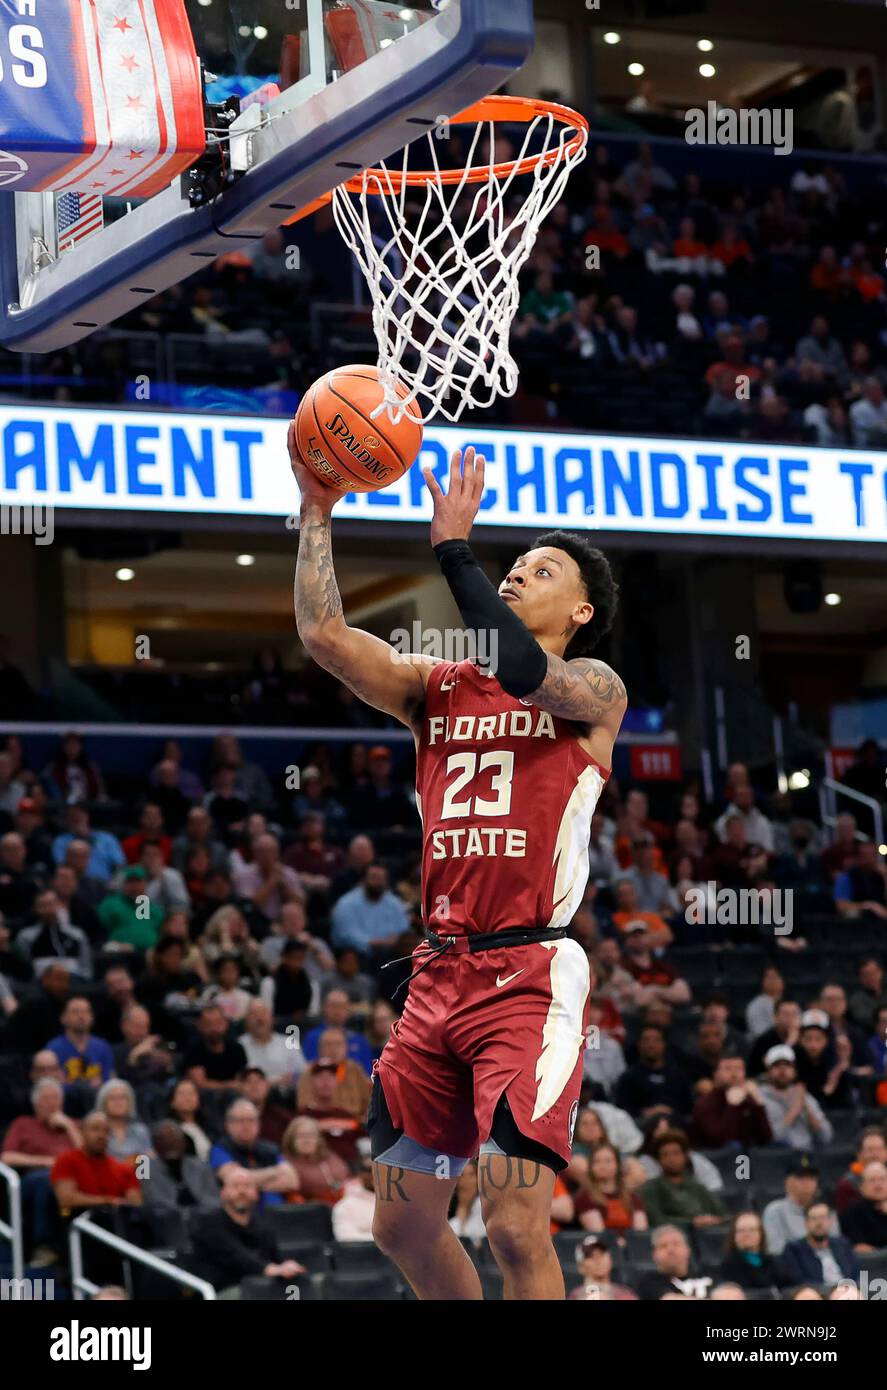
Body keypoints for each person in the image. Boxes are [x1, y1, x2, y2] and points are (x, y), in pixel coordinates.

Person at [293, 438, 626, 1300]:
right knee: (400, 1222)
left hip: (529, 973)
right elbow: (324, 635)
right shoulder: (434, 686)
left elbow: (521, 667)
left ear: (580, 611)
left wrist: (453, 549)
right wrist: (317, 510)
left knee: (515, 1225)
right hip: (439, 969)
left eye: (541, 570)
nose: (517, 575)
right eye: (513, 565)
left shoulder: (593, 689)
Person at [1, 1077, 81, 1262]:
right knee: (47, 1179)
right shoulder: (23, 1124)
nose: (52, 1103)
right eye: (46, 1099)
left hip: (72, 1180)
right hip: (34, 1178)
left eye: (56, 1098)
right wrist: (47, 1162)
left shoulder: (74, 1125)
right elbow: (7, 1157)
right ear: (36, 1103)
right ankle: (43, 1246)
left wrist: (69, 1127)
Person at [188, 1168, 304, 1296]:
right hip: (220, 1292)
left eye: (247, 1186)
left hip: (260, 1289)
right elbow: (236, 1257)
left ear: (256, 1193)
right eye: (235, 1186)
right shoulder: (208, 1223)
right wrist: (271, 1269)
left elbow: (275, 1260)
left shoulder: (263, 1226)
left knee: (296, 1291)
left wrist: (286, 1268)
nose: (242, 1191)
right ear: (223, 1192)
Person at [209, 1098, 296, 1206]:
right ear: (228, 1125)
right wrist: (275, 1172)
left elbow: (292, 1181)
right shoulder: (220, 1149)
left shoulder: (271, 1149)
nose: (246, 1125)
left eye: (251, 1120)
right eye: (240, 1120)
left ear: (259, 1124)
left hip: (277, 1214)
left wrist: (251, 1182)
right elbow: (233, 1179)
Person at [50, 1111, 142, 1213]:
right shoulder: (66, 1160)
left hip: (116, 1223)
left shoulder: (124, 1169)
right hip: (79, 1221)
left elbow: (136, 1203)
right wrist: (108, 1201)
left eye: (106, 1131)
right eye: (95, 1129)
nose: (101, 1135)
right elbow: (66, 1200)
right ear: (82, 1131)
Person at [638, 1129, 727, 1230]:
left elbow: (722, 1215)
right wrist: (692, 1223)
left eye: (676, 1153)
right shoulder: (651, 1188)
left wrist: (713, 1220)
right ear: (658, 1160)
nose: (671, 1159)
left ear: (686, 1156)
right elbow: (656, 1220)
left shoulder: (698, 1187)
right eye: (665, 1155)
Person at [759, 1044, 834, 1150]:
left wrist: (806, 1107)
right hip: (774, 1159)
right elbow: (770, 1138)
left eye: (787, 1065)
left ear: (795, 1071)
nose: (782, 1070)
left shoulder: (805, 1096)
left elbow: (826, 1138)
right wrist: (795, 1109)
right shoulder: (759, 1099)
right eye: (776, 1065)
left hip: (806, 1156)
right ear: (768, 1071)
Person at [690, 1054, 772, 1149]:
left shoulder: (747, 1099)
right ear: (715, 1074)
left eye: (739, 1069)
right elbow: (720, 1139)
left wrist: (758, 1104)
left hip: (748, 1157)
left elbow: (766, 1138)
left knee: (779, 1145)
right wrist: (733, 1106)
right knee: (734, 1147)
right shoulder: (704, 1103)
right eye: (728, 1069)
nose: (734, 1074)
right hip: (715, 1157)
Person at [330, 862, 410, 957]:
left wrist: (395, 940)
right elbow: (346, 936)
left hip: (391, 953)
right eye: (374, 878)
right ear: (363, 880)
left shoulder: (394, 902)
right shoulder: (346, 903)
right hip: (358, 955)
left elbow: (403, 929)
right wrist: (374, 943)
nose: (378, 883)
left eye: (381, 879)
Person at [140, 1120, 221, 1212]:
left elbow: (213, 1201)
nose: (170, 1143)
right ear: (155, 1145)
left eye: (175, 1138)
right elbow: (153, 1202)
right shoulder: (144, 1168)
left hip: (203, 1219)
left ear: (184, 1143)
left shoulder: (201, 1166)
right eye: (163, 1139)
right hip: (166, 1221)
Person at [615, 1024, 694, 1119]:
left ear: (664, 1045)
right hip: (641, 1125)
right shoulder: (628, 1077)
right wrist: (645, 1112)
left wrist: (671, 1112)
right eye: (646, 1040)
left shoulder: (678, 1076)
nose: (651, 1045)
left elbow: (689, 1108)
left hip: (675, 1123)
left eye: (656, 1040)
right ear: (639, 1044)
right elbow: (621, 1110)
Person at [762, 1154, 834, 1256]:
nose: (807, 1182)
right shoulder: (775, 1211)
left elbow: (837, 1246)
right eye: (801, 1177)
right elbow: (776, 1251)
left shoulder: (824, 1210)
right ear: (787, 1181)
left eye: (811, 1177)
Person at [15, 888, 93, 979]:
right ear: (36, 909)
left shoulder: (77, 934)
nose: (49, 910)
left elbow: (86, 967)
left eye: (52, 904)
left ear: (59, 904)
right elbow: (23, 967)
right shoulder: (26, 936)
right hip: (40, 983)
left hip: (74, 981)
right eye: (44, 905)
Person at [778, 1201, 860, 1286]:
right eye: (814, 1218)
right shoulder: (793, 1250)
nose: (819, 1223)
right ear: (806, 1223)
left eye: (823, 1217)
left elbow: (855, 1274)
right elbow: (799, 1281)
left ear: (831, 1221)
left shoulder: (843, 1244)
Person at [573, 1141, 647, 1233]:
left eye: (608, 1161)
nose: (602, 1166)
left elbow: (641, 1233)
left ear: (618, 1165)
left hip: (632, 1245)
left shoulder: (633, 1198)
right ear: (591, 1167)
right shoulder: (584, 1198)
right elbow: (599, 1234)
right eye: (597, 1162)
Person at [47, 996, 116, 1089]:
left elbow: (110, 1081)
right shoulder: (53, 1049)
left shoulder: (103, 1047)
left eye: (86, 1012)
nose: (81, 1016)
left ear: (92, 1018)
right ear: (63, 1018)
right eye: (75, 1012)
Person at [281, 1115, 350, 1204]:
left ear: (318, 1139)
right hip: (313, 1209)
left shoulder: (328, 1155)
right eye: (301, 1136)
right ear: (291, 1139)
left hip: (343, 1200)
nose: (306, 1140)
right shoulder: (286, 1162)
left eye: (311, 1135)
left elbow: (345, 1173)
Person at [97, 866, 165, 950]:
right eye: (130, 882)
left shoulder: (155, 910)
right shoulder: (111, 904)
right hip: (120, 954)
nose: (134, 886)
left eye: (138, 882)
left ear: (145, 884)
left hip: (149, 956)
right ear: (124, 884)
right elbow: (97, 931)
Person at [635, 1225, 712, 1300]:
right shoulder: (649, 1282)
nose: (671, 1249)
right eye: (663, 1246)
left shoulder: (710, 1273)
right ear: (654, 1255)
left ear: (687, 1249)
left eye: (676, 1244)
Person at [183, 1004, 248, 1092]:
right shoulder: (193, 1050)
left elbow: (240, 1082)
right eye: (208, 1024)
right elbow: (199, 1084)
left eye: (218, 1023)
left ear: (226, 1024)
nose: (214, 1028)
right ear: (200, 1025)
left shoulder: (237, 1049)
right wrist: (227, 1086)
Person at [717, 1210, 785, 1291]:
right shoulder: (729, 1264)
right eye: (741, 1231)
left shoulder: (772, 1262)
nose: (746, 1234)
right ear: (734, 1236)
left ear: (761, 1234)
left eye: (752, 1230)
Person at [239, 998, 301, 1087]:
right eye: (254, 1014)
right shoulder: (239, 1046)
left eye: (263, 1013)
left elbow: (302, 1073)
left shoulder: (289, 1042)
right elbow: (238, 1082)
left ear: (272, 1018)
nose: (259, 1018)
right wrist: (274, 1082)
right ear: (246, 1020)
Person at [95, 1079, 152, 1162]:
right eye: (112, 1098)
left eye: (122, 1097)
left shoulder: (141, 1131)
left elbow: (148, 1162)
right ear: (103, 1103)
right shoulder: (97, 1132)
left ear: (130, 1102)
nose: (118, 1102)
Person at [568, 1234, 637, 1300]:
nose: (598, 1259)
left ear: (610, 1259)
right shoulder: (576, 1296)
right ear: (581, 1267)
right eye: (590, 1256)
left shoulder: (626, 1293)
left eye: (601, 1253)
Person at [834, 1127, 887, 1214]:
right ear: (859, 1154)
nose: (875, 1155)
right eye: (870, 1150)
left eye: (879, 1149)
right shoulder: (847, 1185)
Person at [839, 1161, 887, 1251]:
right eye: (872, 1180)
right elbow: (860, 1248)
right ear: (861, 1187)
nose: (878, 1184)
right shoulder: (851, 1214)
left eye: (882, 1179)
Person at [333, 1152, 378, 1242]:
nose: (375, 1173)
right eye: (369, 1170)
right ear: (359, 1174)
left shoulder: (402, 1202)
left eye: (379, 1170)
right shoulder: (345, 1205)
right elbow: (346, 1238)